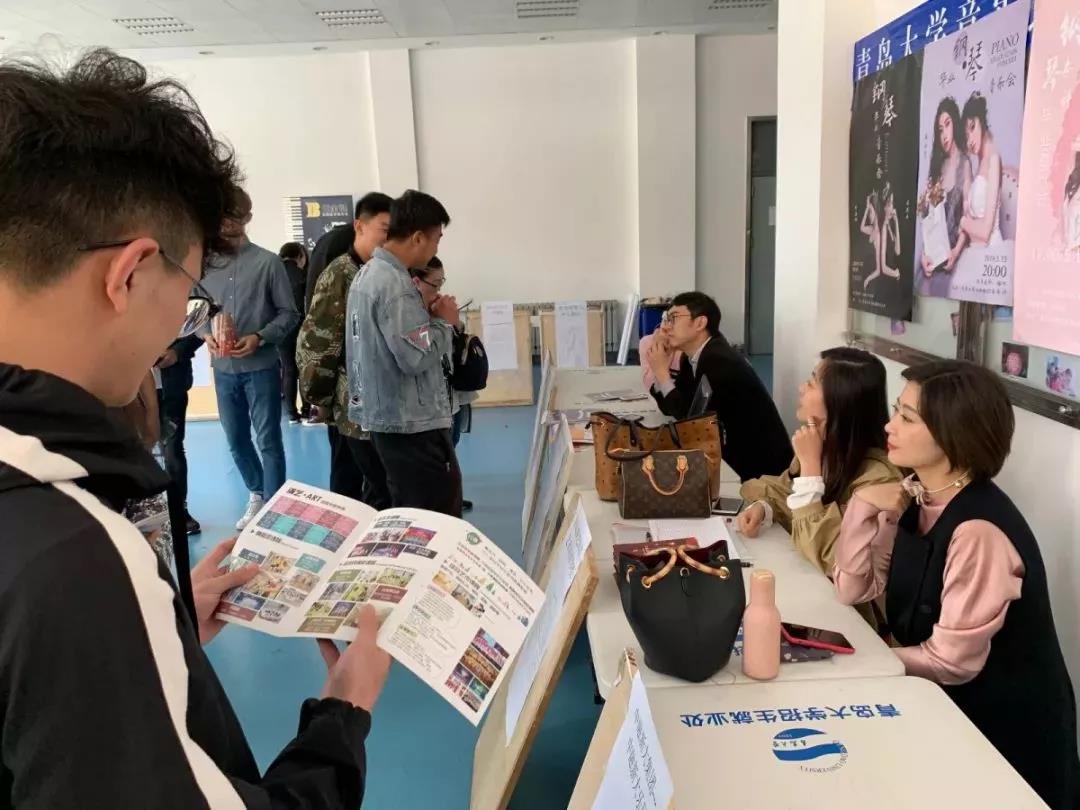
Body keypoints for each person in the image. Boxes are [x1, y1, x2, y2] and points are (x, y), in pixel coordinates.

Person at [0, 48, 389, 808]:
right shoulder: (75, 554)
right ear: (130, 273)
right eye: (188, 287)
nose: (185, 316)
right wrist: (343, 712)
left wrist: (160, 631)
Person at [832, 361, 1080, 807]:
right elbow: (854, 589)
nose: (889, 425)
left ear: (952, 434)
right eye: (896, 410)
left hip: (1004, 736)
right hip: (946, 712)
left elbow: (951, 663)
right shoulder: (918, 496)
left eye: (908, 418)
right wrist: (863, 504)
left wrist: (857, 661)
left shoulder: (978, 530)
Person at [736, 349, 903, 618]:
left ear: (840, 400)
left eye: (812, 383)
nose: (802, 388)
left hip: (850, 618)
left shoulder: (879, 477)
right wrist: (765, 507)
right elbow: (783, 490)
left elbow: (833, 557)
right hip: (810, 594)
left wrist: (811, 468)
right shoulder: (824, 445)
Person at [346, 190, 463, 516]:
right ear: (418, 238)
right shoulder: (395, 286)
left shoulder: (367, 274)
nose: (436, 249)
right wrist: (445, 323)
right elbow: (416, 358)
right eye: (436, 240)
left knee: (401, 511)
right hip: (412, 425)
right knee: (433, 517)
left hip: (387, 420)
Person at [201, 189, 300, 530]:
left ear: (247, 217)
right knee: (235, 439)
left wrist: (259, 336)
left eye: (234, 215)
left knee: (269, 438)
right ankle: (257, 492)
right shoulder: (205, 265)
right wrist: (205, 334)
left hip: (261, 367)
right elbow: (194, 308)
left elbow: (290, 314)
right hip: (223, 369)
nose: (227, 222)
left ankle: (274, 509)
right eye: (222, 215)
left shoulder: (268, 263)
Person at [297, 192, 393, 507]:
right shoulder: (340, 274)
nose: (389, 238)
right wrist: (319, 399)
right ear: (359, 226)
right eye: (384, 229)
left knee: (379, 486)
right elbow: (319, 343)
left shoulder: (381, 272)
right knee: (349, 483)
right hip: (348, 403)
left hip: (379, 405)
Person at [644, 291, 792, 482]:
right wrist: (661, 372)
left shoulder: (719, 360)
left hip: (761, 472)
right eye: (665, 319)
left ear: (700, 323)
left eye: (673, 318)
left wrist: (662, 374)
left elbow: (690, 423)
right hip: (732, 457)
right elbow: (673, 408)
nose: (665, 327)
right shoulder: (693, 357)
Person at [409, 256, 474, 511]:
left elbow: (456, 339)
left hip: (451, 396)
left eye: (441, 284)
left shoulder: (437, 309)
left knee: (451, 449)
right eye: (434, 285)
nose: (438, 291)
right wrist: (440, 321)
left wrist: (453, 321)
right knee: (435, 461)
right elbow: (421, 353)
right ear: (416, 282)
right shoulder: (410, 315)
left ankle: (451, 495)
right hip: (429, 405)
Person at [918, 97, 971, 297]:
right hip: (934, 257)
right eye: (940, 130)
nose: (944, 135)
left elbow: (967, 217)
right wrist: (924, 255)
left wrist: (955, 252)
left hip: (953, 255)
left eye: (947, 125)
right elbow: (927, 220)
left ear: (955, 123)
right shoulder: (937, 167)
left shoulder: (965, 164)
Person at [156, 332, 204, 535]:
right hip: (130, 387)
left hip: (171, 385)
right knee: (136, 450)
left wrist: (177, 351)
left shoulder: (176, 308)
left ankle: (178, 510)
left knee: (173, 449)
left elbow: (200, 330)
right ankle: (145, 512)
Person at [959, 92, 1003, 247]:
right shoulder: (979, 163)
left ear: (982, 122)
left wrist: (962, 222)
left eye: (972, 127)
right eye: (966, 136)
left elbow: (985, 232)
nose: (970, 140)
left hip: (990, 250)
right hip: (975, 248)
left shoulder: (993, 159)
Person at [278, 241, 308, 423]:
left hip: (281, 329)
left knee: (288, 369)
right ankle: (306, 411)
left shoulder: (274, 274)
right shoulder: (303, 274)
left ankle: (291, 413)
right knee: (304, 369)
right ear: (300, 256)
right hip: (301, 326)